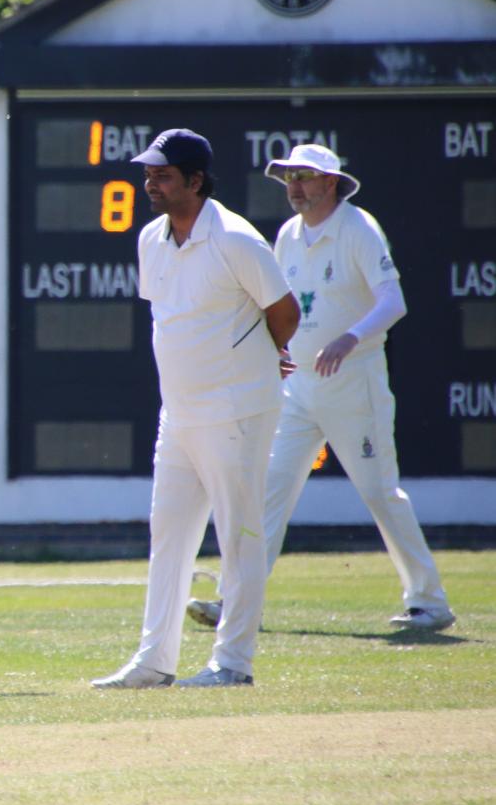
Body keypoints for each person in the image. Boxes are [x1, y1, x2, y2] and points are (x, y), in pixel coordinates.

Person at [186, 144, 455, 632]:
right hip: (299, 387)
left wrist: (349, 339)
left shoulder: (357, 229)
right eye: (289, 178)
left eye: (305, 177)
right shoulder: (288, 234)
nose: (294, 187)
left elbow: (393, 301)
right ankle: (235, 602)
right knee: (268, 492)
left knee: (378, 492)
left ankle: (429, 602)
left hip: (354, 385)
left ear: (331, 182)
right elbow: (278, 302)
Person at [92, 129, 299, 690]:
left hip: (237, 409)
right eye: (149, 174)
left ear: (195, 181)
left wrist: (264, 356)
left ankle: (233, 664)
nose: (149, 183)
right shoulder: (150, 240)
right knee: (170, 536)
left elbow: (285, 313)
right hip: (178, 414)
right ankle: (155, 661)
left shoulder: (237, 239)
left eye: (162, 175)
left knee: (239, 535)